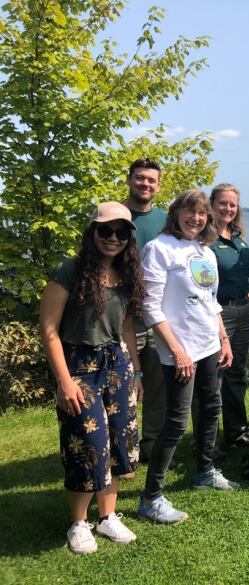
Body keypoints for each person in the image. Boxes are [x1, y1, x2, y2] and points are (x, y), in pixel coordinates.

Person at [40, 202, 144, 553]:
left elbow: (127, 325)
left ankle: (107, 517)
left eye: (121, 232)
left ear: (129, 237)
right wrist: (64, 380)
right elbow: (49, 329)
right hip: (79, 365)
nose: (113, 238)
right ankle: (78, 523)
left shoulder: (128, 273)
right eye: (105, 231)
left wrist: (137, 371)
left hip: (118, 364)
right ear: (93, 233)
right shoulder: (69, 270)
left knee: (117, 444)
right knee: (87, 445)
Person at [138, 189, 238, 525]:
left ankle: (204, 471)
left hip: (209, 344)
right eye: (189, 212)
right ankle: (151, 498)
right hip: (179, 351)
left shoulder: (204, 251)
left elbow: (210, 301)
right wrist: (178, 352)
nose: (196, 219)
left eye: (202, 214)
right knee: (177, 423)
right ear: (176, 213)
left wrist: (223, 338)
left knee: (212, 408)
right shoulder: (158, 249)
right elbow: (150, 307)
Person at [121, 158, 168, 465]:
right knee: (124, 386)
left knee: (158, 388)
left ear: (158, 186)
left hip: (158, 318)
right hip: (119, 318)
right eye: (140, 178)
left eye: (151, 180)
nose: (145, 184)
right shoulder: (114, 215)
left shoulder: (165, 220)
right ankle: (124, 447)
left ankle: (151, 445)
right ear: (129, 180)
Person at [209, 183, 249, 448]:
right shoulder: (205, 238)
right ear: (212, 204)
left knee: (236, 373)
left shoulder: (237, 236)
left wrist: (246, 292)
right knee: (215, 375)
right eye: (223, 203)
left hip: (244, 310)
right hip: (219, 313)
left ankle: (237, 432)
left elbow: (239, 272)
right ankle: (209, 440)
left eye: (232, 204)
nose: (228, 208)